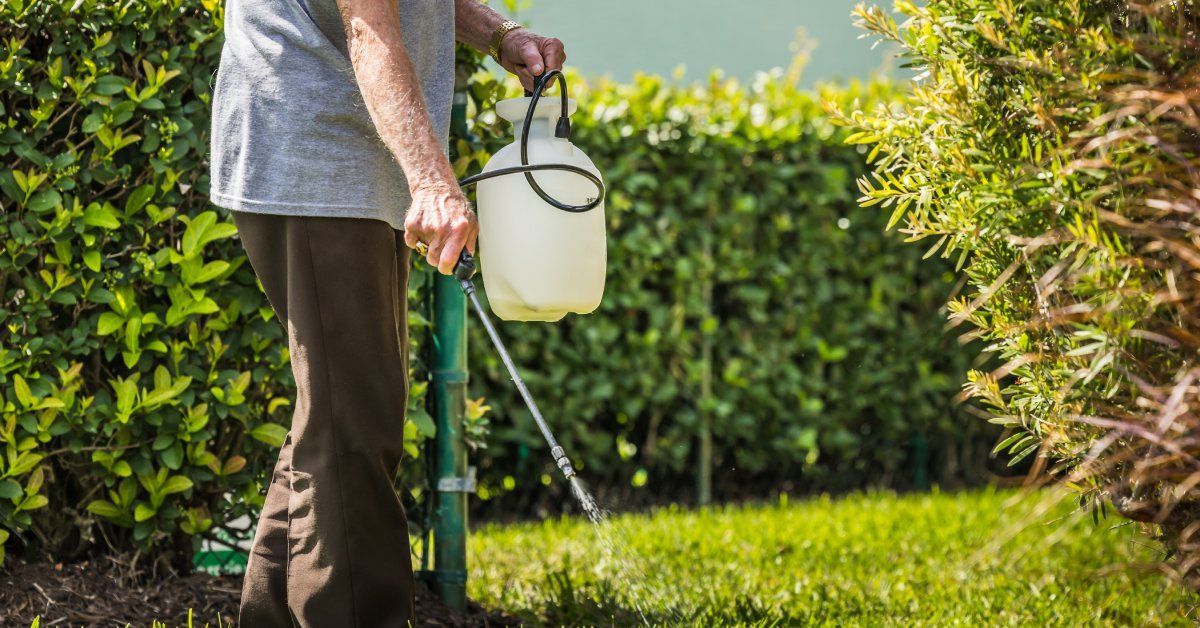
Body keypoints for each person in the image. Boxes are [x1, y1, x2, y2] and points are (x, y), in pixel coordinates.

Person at [207, 0, 565, 625]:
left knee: (333, 422)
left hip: (349, 167)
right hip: (318, 161)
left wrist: (497, 34)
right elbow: (369, 27)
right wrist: (431, 180)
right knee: (353, 430)